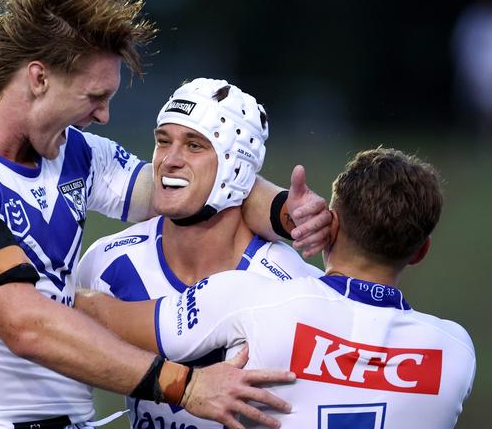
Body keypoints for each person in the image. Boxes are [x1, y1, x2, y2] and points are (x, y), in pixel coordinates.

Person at [0, 0, 332, 429]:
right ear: (38, 78)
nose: (104, 116)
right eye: (95, 96)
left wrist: (288, 211)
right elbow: (25, 324)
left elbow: (183, 187)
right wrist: (186, 385)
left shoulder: (74, 153)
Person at [77, 148, 476, 428]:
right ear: (421, 251)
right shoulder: (455, 353)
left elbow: (101, 315)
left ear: (329, 225)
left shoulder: (251, 299)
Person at [76, 77, 322, 429]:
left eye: (194, 146)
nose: (169, 160)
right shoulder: (106, 262)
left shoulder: (290, 285)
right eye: (163, 142)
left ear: (235, 167)